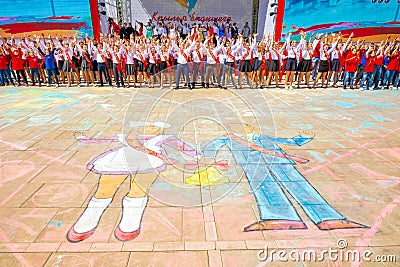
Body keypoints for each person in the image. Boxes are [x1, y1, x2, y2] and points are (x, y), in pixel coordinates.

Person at [201, 124, 368, 232]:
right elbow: (212, 146)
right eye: (243, 125)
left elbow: (286, 141)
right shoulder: (230, 137)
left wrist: (301, 139)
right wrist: (206, 157)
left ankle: (329, 218)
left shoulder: (259, 136)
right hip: (253, 165)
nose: (246, 126)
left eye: (248, 125)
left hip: (279, 161)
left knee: (299, 185)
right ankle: (280, 217)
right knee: (265, 188)